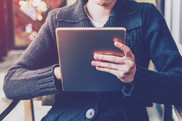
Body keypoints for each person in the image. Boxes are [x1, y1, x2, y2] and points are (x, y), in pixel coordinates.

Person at [3, 0, 182, 120]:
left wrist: (136, 77)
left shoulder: (146, 15)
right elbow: (12, 83)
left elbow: (179, 83)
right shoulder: (57, 19)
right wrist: (58, 73)